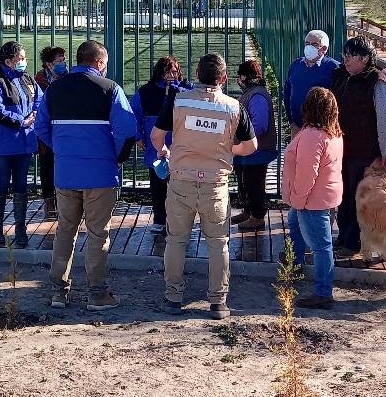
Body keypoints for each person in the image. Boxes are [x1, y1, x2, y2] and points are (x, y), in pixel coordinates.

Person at [152, 53, 258, 320]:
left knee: (176, 241)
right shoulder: (234, 107)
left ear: (197, 75)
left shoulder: (178, 100)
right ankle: (218, 302)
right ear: (223, 78)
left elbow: (156, 135)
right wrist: (227, 149)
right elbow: (252, 146)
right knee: (218, 244)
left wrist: (165, 150)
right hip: (215, 184)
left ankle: (173, 296)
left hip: (181, 182)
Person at [35, 40, 137, 310]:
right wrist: (114, 156)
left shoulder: (54, 89)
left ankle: (58, 292)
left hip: (66, 173)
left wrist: (63, 150)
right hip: (100, 175)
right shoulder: (110, 89)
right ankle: (97, 294)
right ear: (100, 63)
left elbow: (41, 128)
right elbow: (127, 129)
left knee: (65, 231)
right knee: (97, 235)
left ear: (78, 60)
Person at [329, 36, 386, 258]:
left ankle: (354, 242)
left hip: (365, 151)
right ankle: (342, 236)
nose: (346, 60)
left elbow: (384, 120)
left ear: (366, 58)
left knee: (357, 197)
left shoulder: (377, 82)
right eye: (345, 55)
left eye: (352, 56)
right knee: (343, 194)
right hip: (342, 148)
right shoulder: (340, 76)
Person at [281, 87, 344, 310]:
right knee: (295, 226)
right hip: (326, 196)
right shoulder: (333, 132)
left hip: (310, 200)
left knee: (321, 246)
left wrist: (298, 201)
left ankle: (323, 293)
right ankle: (295, 265)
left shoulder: (311, 136)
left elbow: (307, 175)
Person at [0, 41, 42, 249]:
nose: (24, 62)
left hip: (25, 143)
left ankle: (20, 229)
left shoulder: (27, 79)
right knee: (0, 184)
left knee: (21, 185)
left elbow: (40, 100)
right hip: (3, 144)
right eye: (21, 59)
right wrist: (20, 121)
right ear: (9, 61)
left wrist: (34, 114)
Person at [131, 56, 193, 234]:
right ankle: (159, 219)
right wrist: (138, 136)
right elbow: (134, 114)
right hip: (155, 147)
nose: (171, 74)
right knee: (158, 185)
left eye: (174, 71)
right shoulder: (145, 91)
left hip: (182, 147)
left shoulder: (187, 90)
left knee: (181, 187)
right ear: (159, 72)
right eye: (167, 71)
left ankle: (181, 221)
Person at [232, 59, 278, 231]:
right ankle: (247, 211)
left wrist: (241, 134)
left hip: (257, 150)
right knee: (244, 182)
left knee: (254, 184)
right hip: (247, 150)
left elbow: (260, 125)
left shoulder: (257, 95)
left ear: (245, 77)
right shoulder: (251, 92)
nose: (238, 79)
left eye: (240, 76)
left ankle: (257, 216)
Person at [282, 30, 339, 136]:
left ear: (324, 49)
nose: (309, 47)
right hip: (297, 128)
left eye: (314, 44)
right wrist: (291, 122)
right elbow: (287, 92)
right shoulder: (296, 65)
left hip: (320, 131)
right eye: (307, 43)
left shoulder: (333, 68)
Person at [34, 46, 68, 218]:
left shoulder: (69, 80)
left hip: (64, 130)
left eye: (64, 60)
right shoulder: (38, 81)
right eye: (59, 61)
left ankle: (65, 203)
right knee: (47, 166)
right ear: (48, 64)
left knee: (64, 166)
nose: (64, 64)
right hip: (46, 130)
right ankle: (49, 203)